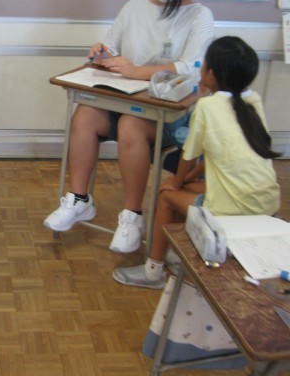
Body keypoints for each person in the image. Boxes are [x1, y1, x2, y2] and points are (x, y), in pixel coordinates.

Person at [44, 0, 215, 253]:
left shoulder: (198, 16)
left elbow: (192, 67)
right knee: (85, 115)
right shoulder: (134, 7)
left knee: (131, 125)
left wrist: (139, 71)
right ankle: (79, 200)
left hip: (167, 112)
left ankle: (132, 216)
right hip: (123, 99)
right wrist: (102, 53)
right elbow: (111, 47)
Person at [113, 36, 281, 289]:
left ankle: (153, 271)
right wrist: (187, 180)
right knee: (185, 188)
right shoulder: (253, 100)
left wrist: (177, 181)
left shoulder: (208, 106)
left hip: (235, 208)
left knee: (166, 196)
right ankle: (178, 253)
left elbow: (188, 155)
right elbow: (216, 154)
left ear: (210, 72)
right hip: (266, 203)